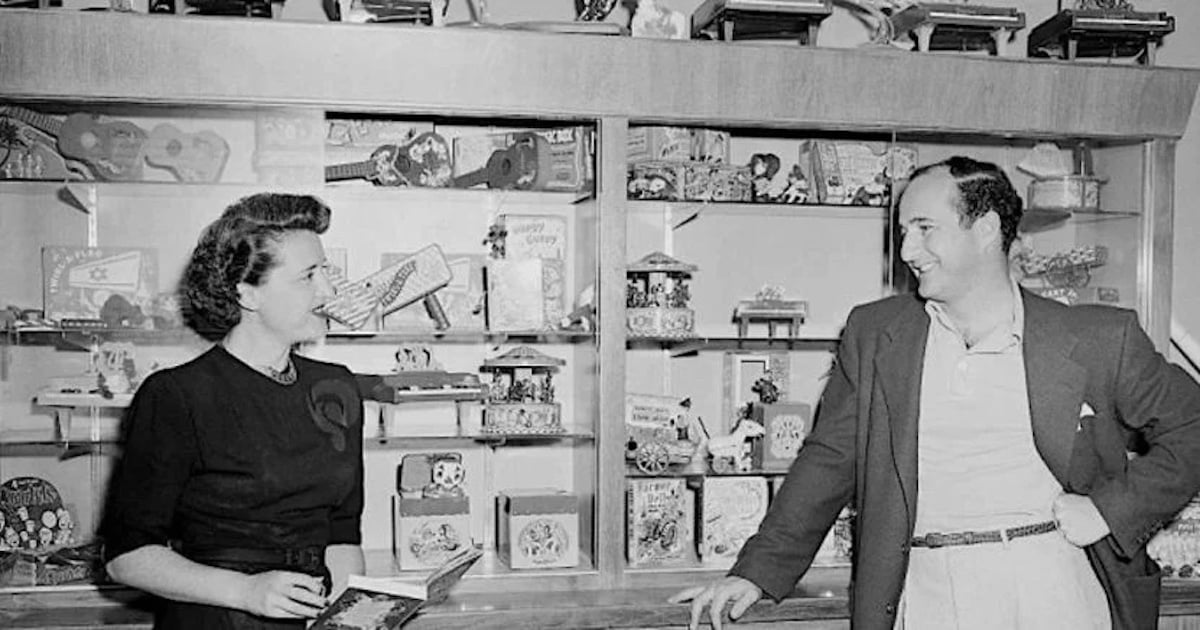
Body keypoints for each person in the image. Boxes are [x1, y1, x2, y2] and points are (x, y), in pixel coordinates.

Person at [671, 156, 1200, 630]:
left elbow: (1192, 427)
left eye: (925, 229)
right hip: (922, 592)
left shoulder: (1097, 338)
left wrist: (1109, 510)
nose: (906, 250)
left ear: (987, 230)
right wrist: (757, 572)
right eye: (903, 232)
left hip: (1051, 586)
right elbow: (830, 459)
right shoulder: (876, 334)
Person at [102, 193, 364, 629]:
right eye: (308, 277)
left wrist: (347, 611)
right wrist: (247, 592)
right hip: (216, 617)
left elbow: (341, 530)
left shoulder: (336, 384)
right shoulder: (176, 395)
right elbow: (126, 558)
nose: (329, 291)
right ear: (247, 293)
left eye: (327, 272)